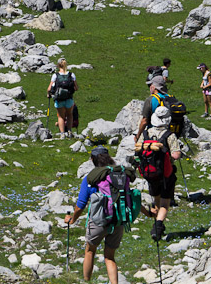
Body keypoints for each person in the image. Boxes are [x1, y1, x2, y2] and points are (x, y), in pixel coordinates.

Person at [65, 146, 151, 284]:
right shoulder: (120, 175)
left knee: (90, 250)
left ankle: (87, 281)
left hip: (99, 221)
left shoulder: (92, 178)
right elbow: (130, 198)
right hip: (118, 220)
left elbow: (81, 204)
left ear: (93, 160)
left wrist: (72, 219)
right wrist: (148, 213)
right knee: (110, 257)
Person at [135, 106, 182, 241]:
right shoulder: (169, 135)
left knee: (156, 200)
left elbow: (137, 151)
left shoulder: (145, 133)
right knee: (165, 203)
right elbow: (176, 155)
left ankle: (157, 226)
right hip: (166, 174)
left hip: (150, 173)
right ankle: (158, 227)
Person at [47, 58, 78, 135]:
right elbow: (76, 88)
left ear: (58, 65)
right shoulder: (71, 75)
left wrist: (49, 94)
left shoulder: (55, 75)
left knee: (61, 116)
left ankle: (62, 134)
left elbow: (49, 88)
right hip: (69, 98)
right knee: (69, 115)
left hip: (59, 99)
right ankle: (70, 131)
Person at [134, 75, 169, 142]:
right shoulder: (169, 97)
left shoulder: (151, 99)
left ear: (154, 87)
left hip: (154, 134)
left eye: (150, 85)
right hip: (168, 132)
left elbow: (144, 121)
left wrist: (138, 136)